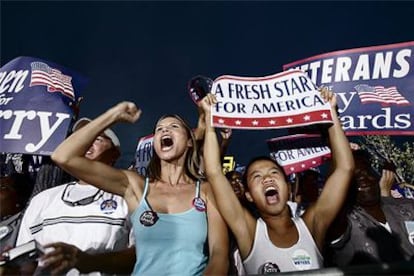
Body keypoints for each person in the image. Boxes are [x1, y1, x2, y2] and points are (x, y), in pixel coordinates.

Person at [51, 102, 229, 275]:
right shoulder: (136, 186)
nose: (165, 130)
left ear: (190, 142)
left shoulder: (205, 191)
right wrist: (112, 115)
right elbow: (63, 156)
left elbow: (219, 256)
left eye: (174, 126)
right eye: (159, 129)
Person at [201, 87, 354, 273]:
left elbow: (344, 168)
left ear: (288, 187)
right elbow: (214, 173)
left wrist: (331, 114)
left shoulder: (313, 225)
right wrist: (210, 120)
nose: (267, 179)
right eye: (257, 176)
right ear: (248, 196)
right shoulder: (248, 233)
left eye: (274, 173)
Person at [16, 118, 134, 275]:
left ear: (115, 154)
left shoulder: (126, 199)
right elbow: (24, 262)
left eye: (96, 138)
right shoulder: (43, 200)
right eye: (78, 138)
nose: (85, 143)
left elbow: (141, 256)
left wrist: (88, 262)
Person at [325, 149, 414, 267]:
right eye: (354, 178)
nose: (364, 180)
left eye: (367, 172)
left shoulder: (408, 207)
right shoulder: (342, 222)